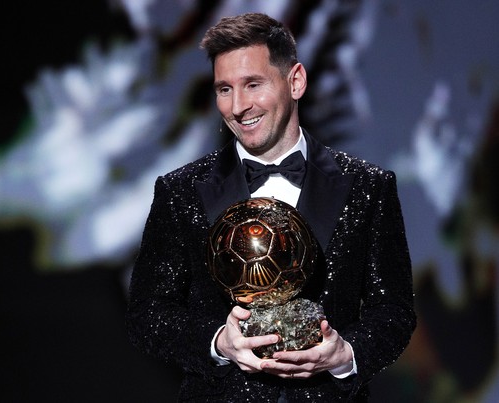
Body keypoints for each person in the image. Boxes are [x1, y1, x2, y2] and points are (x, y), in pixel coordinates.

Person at [126, 12, 416, 402]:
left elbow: (393, 311)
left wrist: (345, 354)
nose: (239, 106)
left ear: (295, 81)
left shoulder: (368, 187)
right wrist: (218, 343)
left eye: (253, 84)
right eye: (224, 89)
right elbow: (148, 315)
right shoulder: (180, 192)